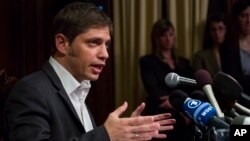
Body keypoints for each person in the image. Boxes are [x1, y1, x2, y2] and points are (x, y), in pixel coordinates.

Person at [3, 2, 176, 141]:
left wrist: (123, 137)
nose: (105, 54)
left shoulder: (79, 89)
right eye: (94, 42)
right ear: (62, 43)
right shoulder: (30, 90)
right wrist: (106, 135)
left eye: (106, 44)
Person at [139, 19, 195, 141]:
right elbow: (154, 91)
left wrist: (180, 105)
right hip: (161, 113)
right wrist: (178, 106)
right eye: (163, 35)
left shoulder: (184, 62)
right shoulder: (147, 61)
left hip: (186, 113)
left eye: (170, 34)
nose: (168, 39)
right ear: (157, 38)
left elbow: (192, 88)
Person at [223, 0, 250, 108]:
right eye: (244, 16)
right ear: (237, 18)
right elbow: (233, 79)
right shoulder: (228, 45)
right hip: (241, 101)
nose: (249, 20)